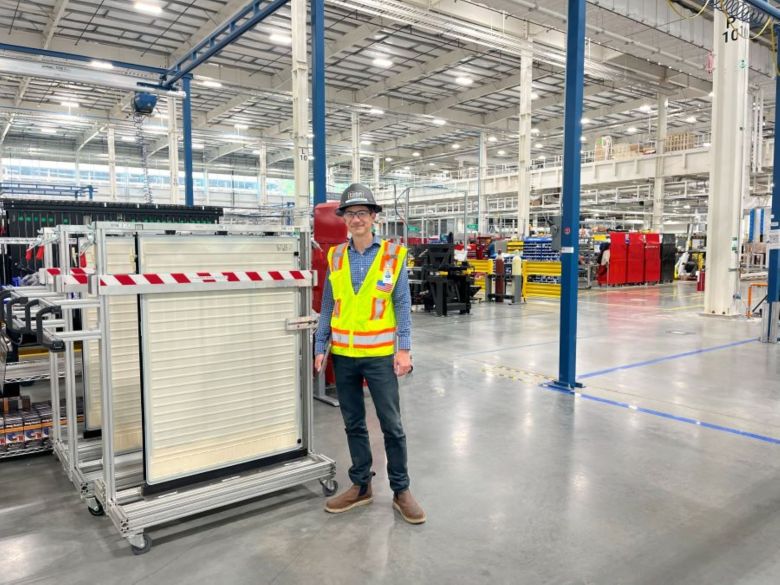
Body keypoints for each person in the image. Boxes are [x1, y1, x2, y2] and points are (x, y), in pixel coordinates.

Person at [314, 183, 425, 525]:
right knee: (353, 424)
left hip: (379, 356)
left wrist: (403, 349)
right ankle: (361, 485)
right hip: (344, 356)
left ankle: (401, 490)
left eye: (363, 213)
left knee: (391, 425)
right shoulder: (334, 256)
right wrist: (321, 346)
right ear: (344, 219)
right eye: (350, 214)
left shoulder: (392, 255)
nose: (356, 219)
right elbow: (328, 305)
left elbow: (402, 303)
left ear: (374, 217)